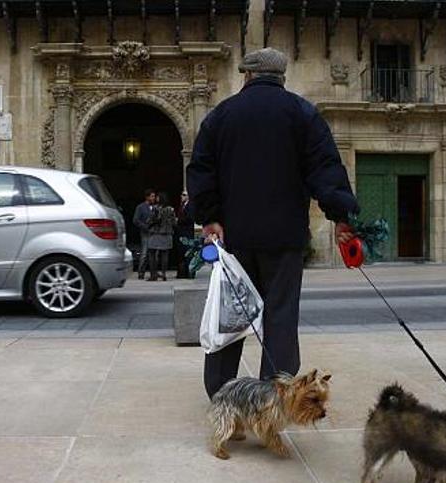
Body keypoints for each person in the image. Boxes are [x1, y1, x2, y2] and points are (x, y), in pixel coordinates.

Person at [188, 47, 359, 399]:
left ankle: (223, 396)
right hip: (285, 238)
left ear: (247, 75)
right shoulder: (302, 113)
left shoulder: (222, 115)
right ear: (281, 77)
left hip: (234, 238)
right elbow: (325, 169)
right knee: (280, 317)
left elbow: (202, 170)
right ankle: (274, 395)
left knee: (230, 316)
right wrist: (340, 217)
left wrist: (210, 219)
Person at [147, 192, 177, 281]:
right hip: (167, 234)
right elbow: (174, 222)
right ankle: (164, 274)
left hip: (156, 233)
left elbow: (150, 220)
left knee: (152, 253)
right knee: (165, 255)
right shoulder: (171, 209)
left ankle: (153, 274)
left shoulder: (155, 208)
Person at [132, 189, 157, 280]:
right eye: (152, 196)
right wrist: (145, 227)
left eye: (154, 196)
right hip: (145, 233)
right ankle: (141, 272)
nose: (153, 198)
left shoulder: (156, 207)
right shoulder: (140, 207)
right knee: (144, 253)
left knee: (154, 253)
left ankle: (153, 272)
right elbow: (135, 220)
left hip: (155, 233)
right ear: (147, 197)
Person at [175, 191, 196, 279]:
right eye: (182, 194)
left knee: (189, 253)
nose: (182, 196)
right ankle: (182, 273)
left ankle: (190, 273)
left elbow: (189, 218)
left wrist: (178, 221)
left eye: (184, 195)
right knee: (181, 253)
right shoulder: (181, 206)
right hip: (181, 233)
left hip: (187, 233)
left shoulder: (190, 206)